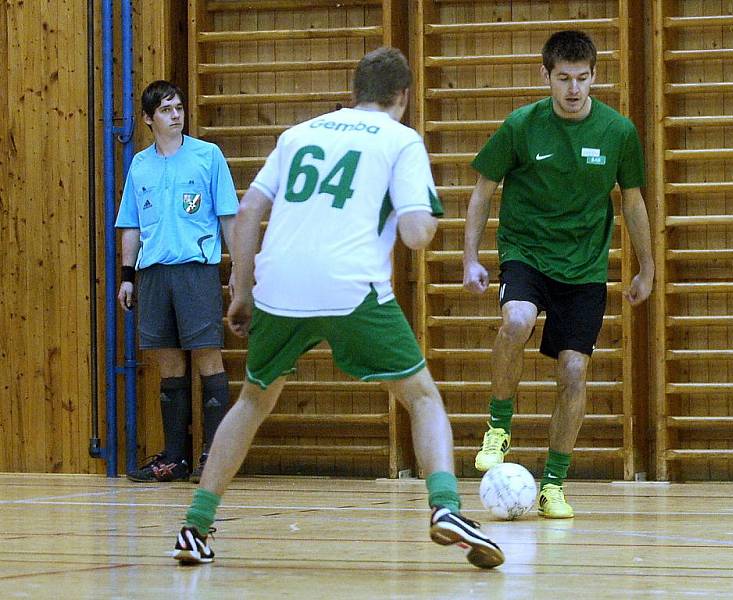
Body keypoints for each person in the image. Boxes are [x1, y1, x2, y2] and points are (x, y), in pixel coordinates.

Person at [171, 47, 504, 570]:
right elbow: (417, 235)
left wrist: (241, 288)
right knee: (420, 397)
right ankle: (446, 508)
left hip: (278, 284)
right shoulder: (401, 140)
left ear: (354, 93)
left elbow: (251, 208)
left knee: (253, 400)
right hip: (350, 286)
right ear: (404, 97)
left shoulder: (299, 134)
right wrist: (419, 214)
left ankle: (194, 525)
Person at [464, 31, 654, 519]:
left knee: (573, 369)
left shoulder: (618, 132)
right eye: (564, 78)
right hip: (526, 251)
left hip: (584, 265)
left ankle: (552, 484)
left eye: (583, 78)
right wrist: (471, 258)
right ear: (544, 75)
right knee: (517, 319)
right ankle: (498, 426)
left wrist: (646, 267)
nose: (574, 89)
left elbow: (632, 202)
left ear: (595, 76)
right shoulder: (521, 126)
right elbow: (484, 190)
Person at [115, 80, 239, 483]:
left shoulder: (208, 156)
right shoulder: (141, 164)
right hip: (153, 275)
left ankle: (214, 456)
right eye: (167, 110)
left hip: (195, 271)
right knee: (168, 364)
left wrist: (239, 268)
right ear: (149, 119)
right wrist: (127, 276)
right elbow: (131, 225)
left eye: (179, 108)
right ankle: (174, 457)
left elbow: (228, 217)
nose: (176, 115)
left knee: (207, 356)